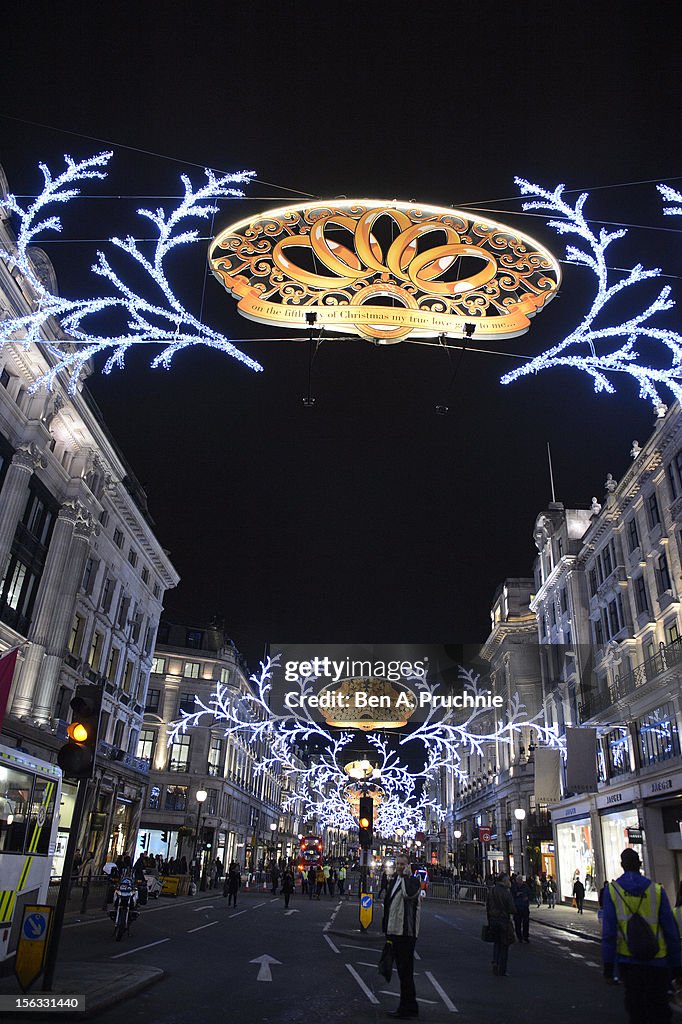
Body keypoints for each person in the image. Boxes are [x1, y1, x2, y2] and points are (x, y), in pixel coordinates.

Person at [602, 847, 680, 1024]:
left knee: (636, 1010)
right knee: (660, 1010)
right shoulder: (657, 891)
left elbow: (609, 934)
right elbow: (671, 931)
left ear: (622, 865)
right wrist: (677, 965)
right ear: (639, 864)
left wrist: (608, 967)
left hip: (629, 961)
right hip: (658, 960)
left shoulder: (613, 891)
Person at [382, 853, 421, 1019]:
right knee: (402, 973)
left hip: (406, 933)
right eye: (397, 864)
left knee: (406, 973)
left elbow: (408, 894)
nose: (399, 867)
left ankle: (408, 1009)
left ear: (408, 866)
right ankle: (407, 1006)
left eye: (402, 864)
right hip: (395, 932)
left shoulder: (413, 881)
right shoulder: (394, 881)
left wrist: (406, 875)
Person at [486, 872, 516, 977]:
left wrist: (489, 920)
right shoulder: (506, 893)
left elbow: (488, 907)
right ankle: (502, 969)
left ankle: (495, 961)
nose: (509, 882)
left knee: (497, 942)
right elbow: (512, 908)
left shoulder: (492, 891)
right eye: (508, 880)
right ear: (504, 881)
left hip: (494, 920)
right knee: (504, 945)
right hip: (503, 921)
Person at [512, 875, 531, 942]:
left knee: (526, 922)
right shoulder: (514, 886)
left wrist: (527, 898)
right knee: (517, 923)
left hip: (524, 906)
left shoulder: (525, 886)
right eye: (518, 880)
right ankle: (519, 936)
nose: (520, 881)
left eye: (521, 880)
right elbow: (511, 895)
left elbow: (530, 894)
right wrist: (516, 894)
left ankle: (525, 936)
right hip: (517, 907)